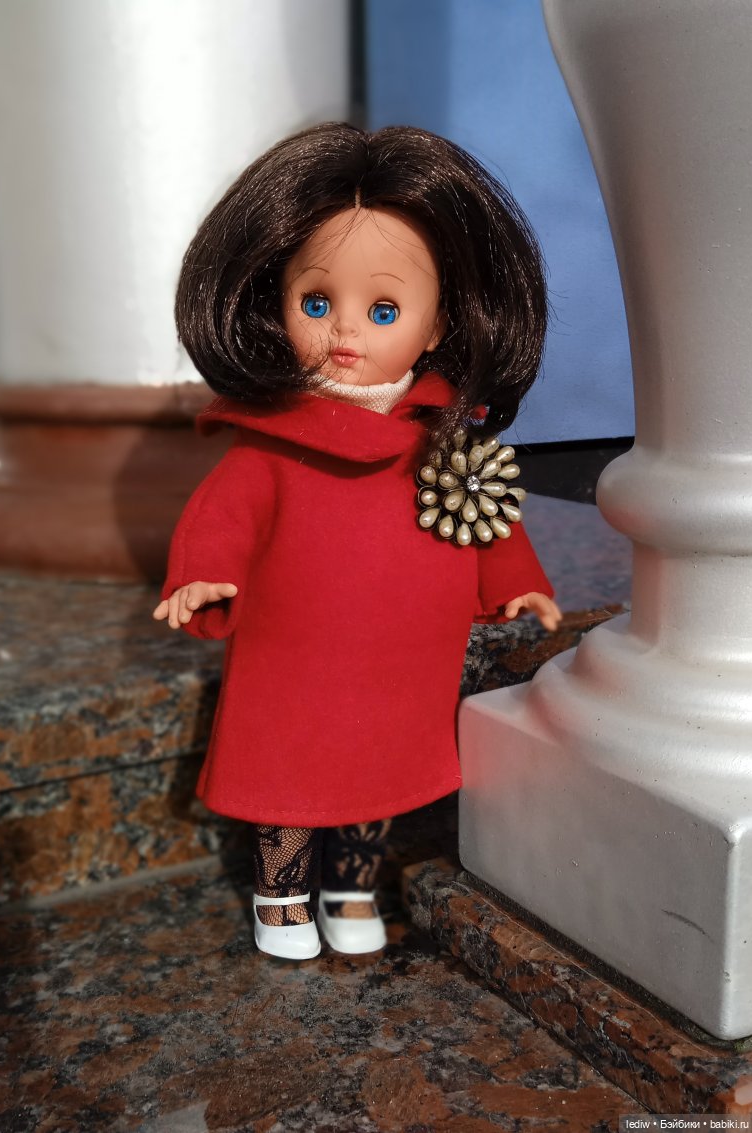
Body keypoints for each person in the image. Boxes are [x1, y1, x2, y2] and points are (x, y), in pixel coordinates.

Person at [154, 123, 561, 961]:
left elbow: (489, 516)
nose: (346, 332)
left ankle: (352, 887)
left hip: (403, 658)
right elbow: (222, 516)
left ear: (437, 324)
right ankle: (280, 896)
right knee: (290, 776)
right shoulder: (271, 443)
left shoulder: (444, 442)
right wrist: (204, 575)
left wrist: (515, 581)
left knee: (380, 772)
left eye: (383, 311)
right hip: (295, 655)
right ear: (277, 301)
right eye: (316, 302)